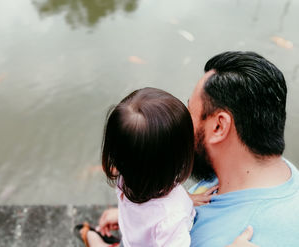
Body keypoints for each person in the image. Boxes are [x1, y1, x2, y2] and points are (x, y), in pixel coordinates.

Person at [76, 87, 257, 247]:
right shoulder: (172, 219)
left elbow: (147, 205)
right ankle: (93, 239)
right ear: (180, 158)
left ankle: (92, 236)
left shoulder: (126, 176)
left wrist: (187, 198)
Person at [188, 51, 299, 246]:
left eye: (189, 114)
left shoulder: (230, 238)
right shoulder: (276, 170)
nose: (182, 127)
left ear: (219, 126)